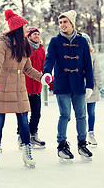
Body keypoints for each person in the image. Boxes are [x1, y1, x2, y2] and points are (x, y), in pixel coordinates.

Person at [0, 9, 42, 168]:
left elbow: (28, 69)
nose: (27, 29)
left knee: (24, 122)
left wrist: (42, 77)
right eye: (25, 26)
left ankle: (27, 152)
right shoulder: (3, 43)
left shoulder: (25, 45)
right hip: (2, 86)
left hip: (19, 87)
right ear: (18, 28)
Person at [42, 10, 94, 160]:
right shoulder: (55, 41)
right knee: (65, 115)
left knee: (81, 115)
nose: (62, 25)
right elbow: (50, 59)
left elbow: (87, 65)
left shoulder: (82, 41)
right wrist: (47, 72)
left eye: (65, 22)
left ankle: (82, 144)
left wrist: (89, 84)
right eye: (60, 22)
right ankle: (62, 145)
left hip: (78, 83)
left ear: (72, 23)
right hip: (62, 83)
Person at [17, 27, 46, 148]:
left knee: (36, 113)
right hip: (24, 86)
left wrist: (48, 81)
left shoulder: (41, 50)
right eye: (34, 34)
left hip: (37, 87)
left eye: (38, 34)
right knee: (23, 113)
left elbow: (44, 67)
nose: (37, 36)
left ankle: (33, 135)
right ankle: (22, 136)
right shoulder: (23, 48)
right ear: (28, 36)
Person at [82, 33, 104, 146]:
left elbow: (97, 72)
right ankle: (81, 136)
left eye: (87, 41)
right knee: (81, 114)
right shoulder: (76, 54)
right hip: (80, 88)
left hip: (92, 88)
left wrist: (100, 87)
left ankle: (91, 134)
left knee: (91, 112)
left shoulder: (93, 55)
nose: (85, 43)